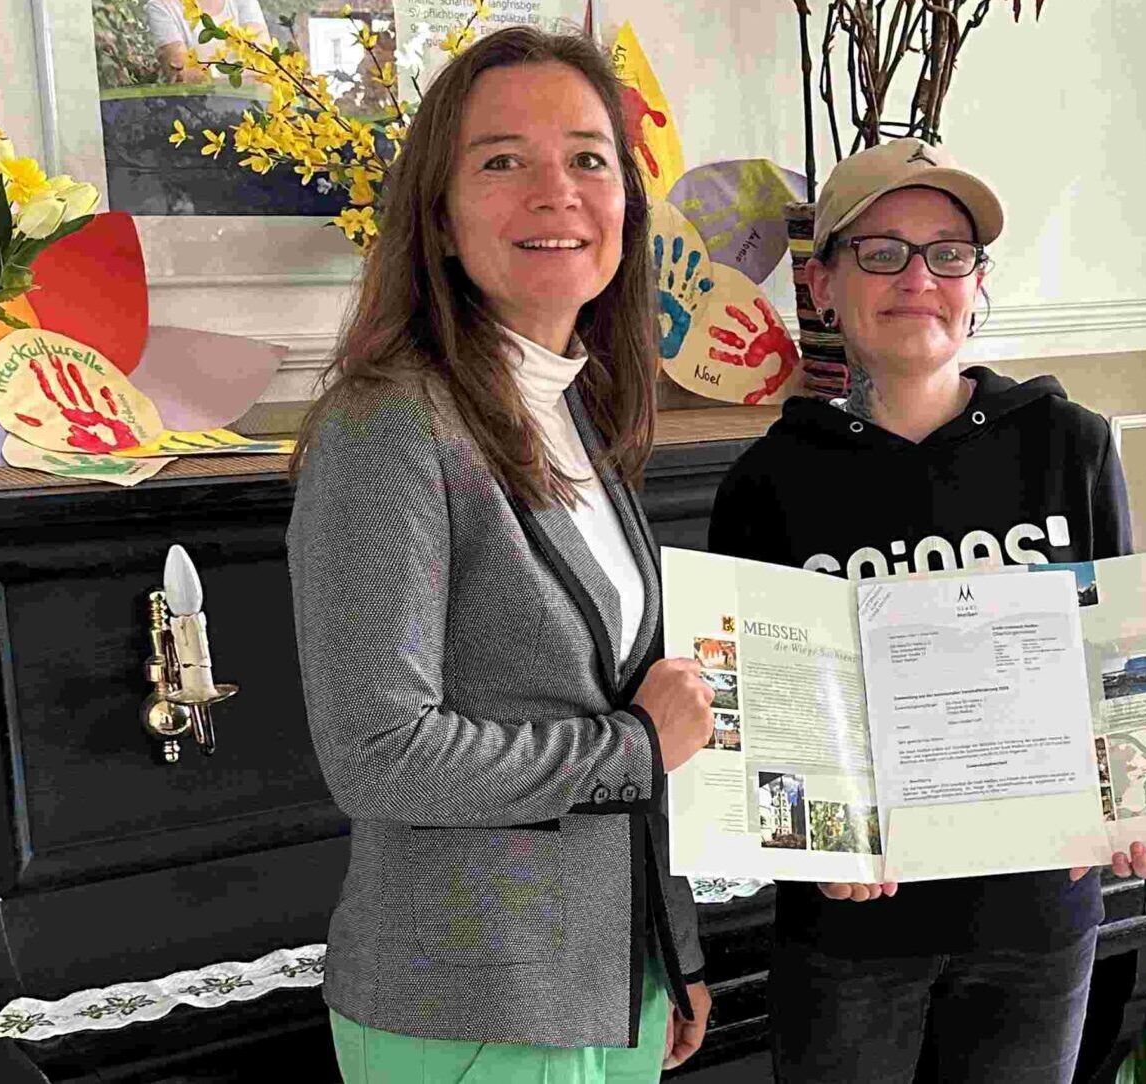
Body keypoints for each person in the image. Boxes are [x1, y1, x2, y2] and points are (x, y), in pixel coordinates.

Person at [287, 27, 713, 1083]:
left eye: (588, 158)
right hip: (472, 1005)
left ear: (626, 205)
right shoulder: (388, 424)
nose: (555, 191)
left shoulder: (579, 412)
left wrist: (671, 953)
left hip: (607, 985)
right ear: (438, 217)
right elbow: (379, 752)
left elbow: (627, 706)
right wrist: (634, 748)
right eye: (502, 161)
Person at [707, 138, 1146, 1084]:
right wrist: (801, 848)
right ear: (824, 285)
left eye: (948, 254)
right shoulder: (768, 481)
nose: (918, 278)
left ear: (977, 283)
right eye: (881, 252)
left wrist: (1139, 794)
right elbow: (746, 715)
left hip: (1038, 920)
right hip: (849, 930)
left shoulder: (1071, 447)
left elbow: (1121, 658)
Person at [143, 0, 272, 84]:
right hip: (196, 110)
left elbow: (264, 61)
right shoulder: (160, 7)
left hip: (251, 105)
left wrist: (204, 66)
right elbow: (183, 76)